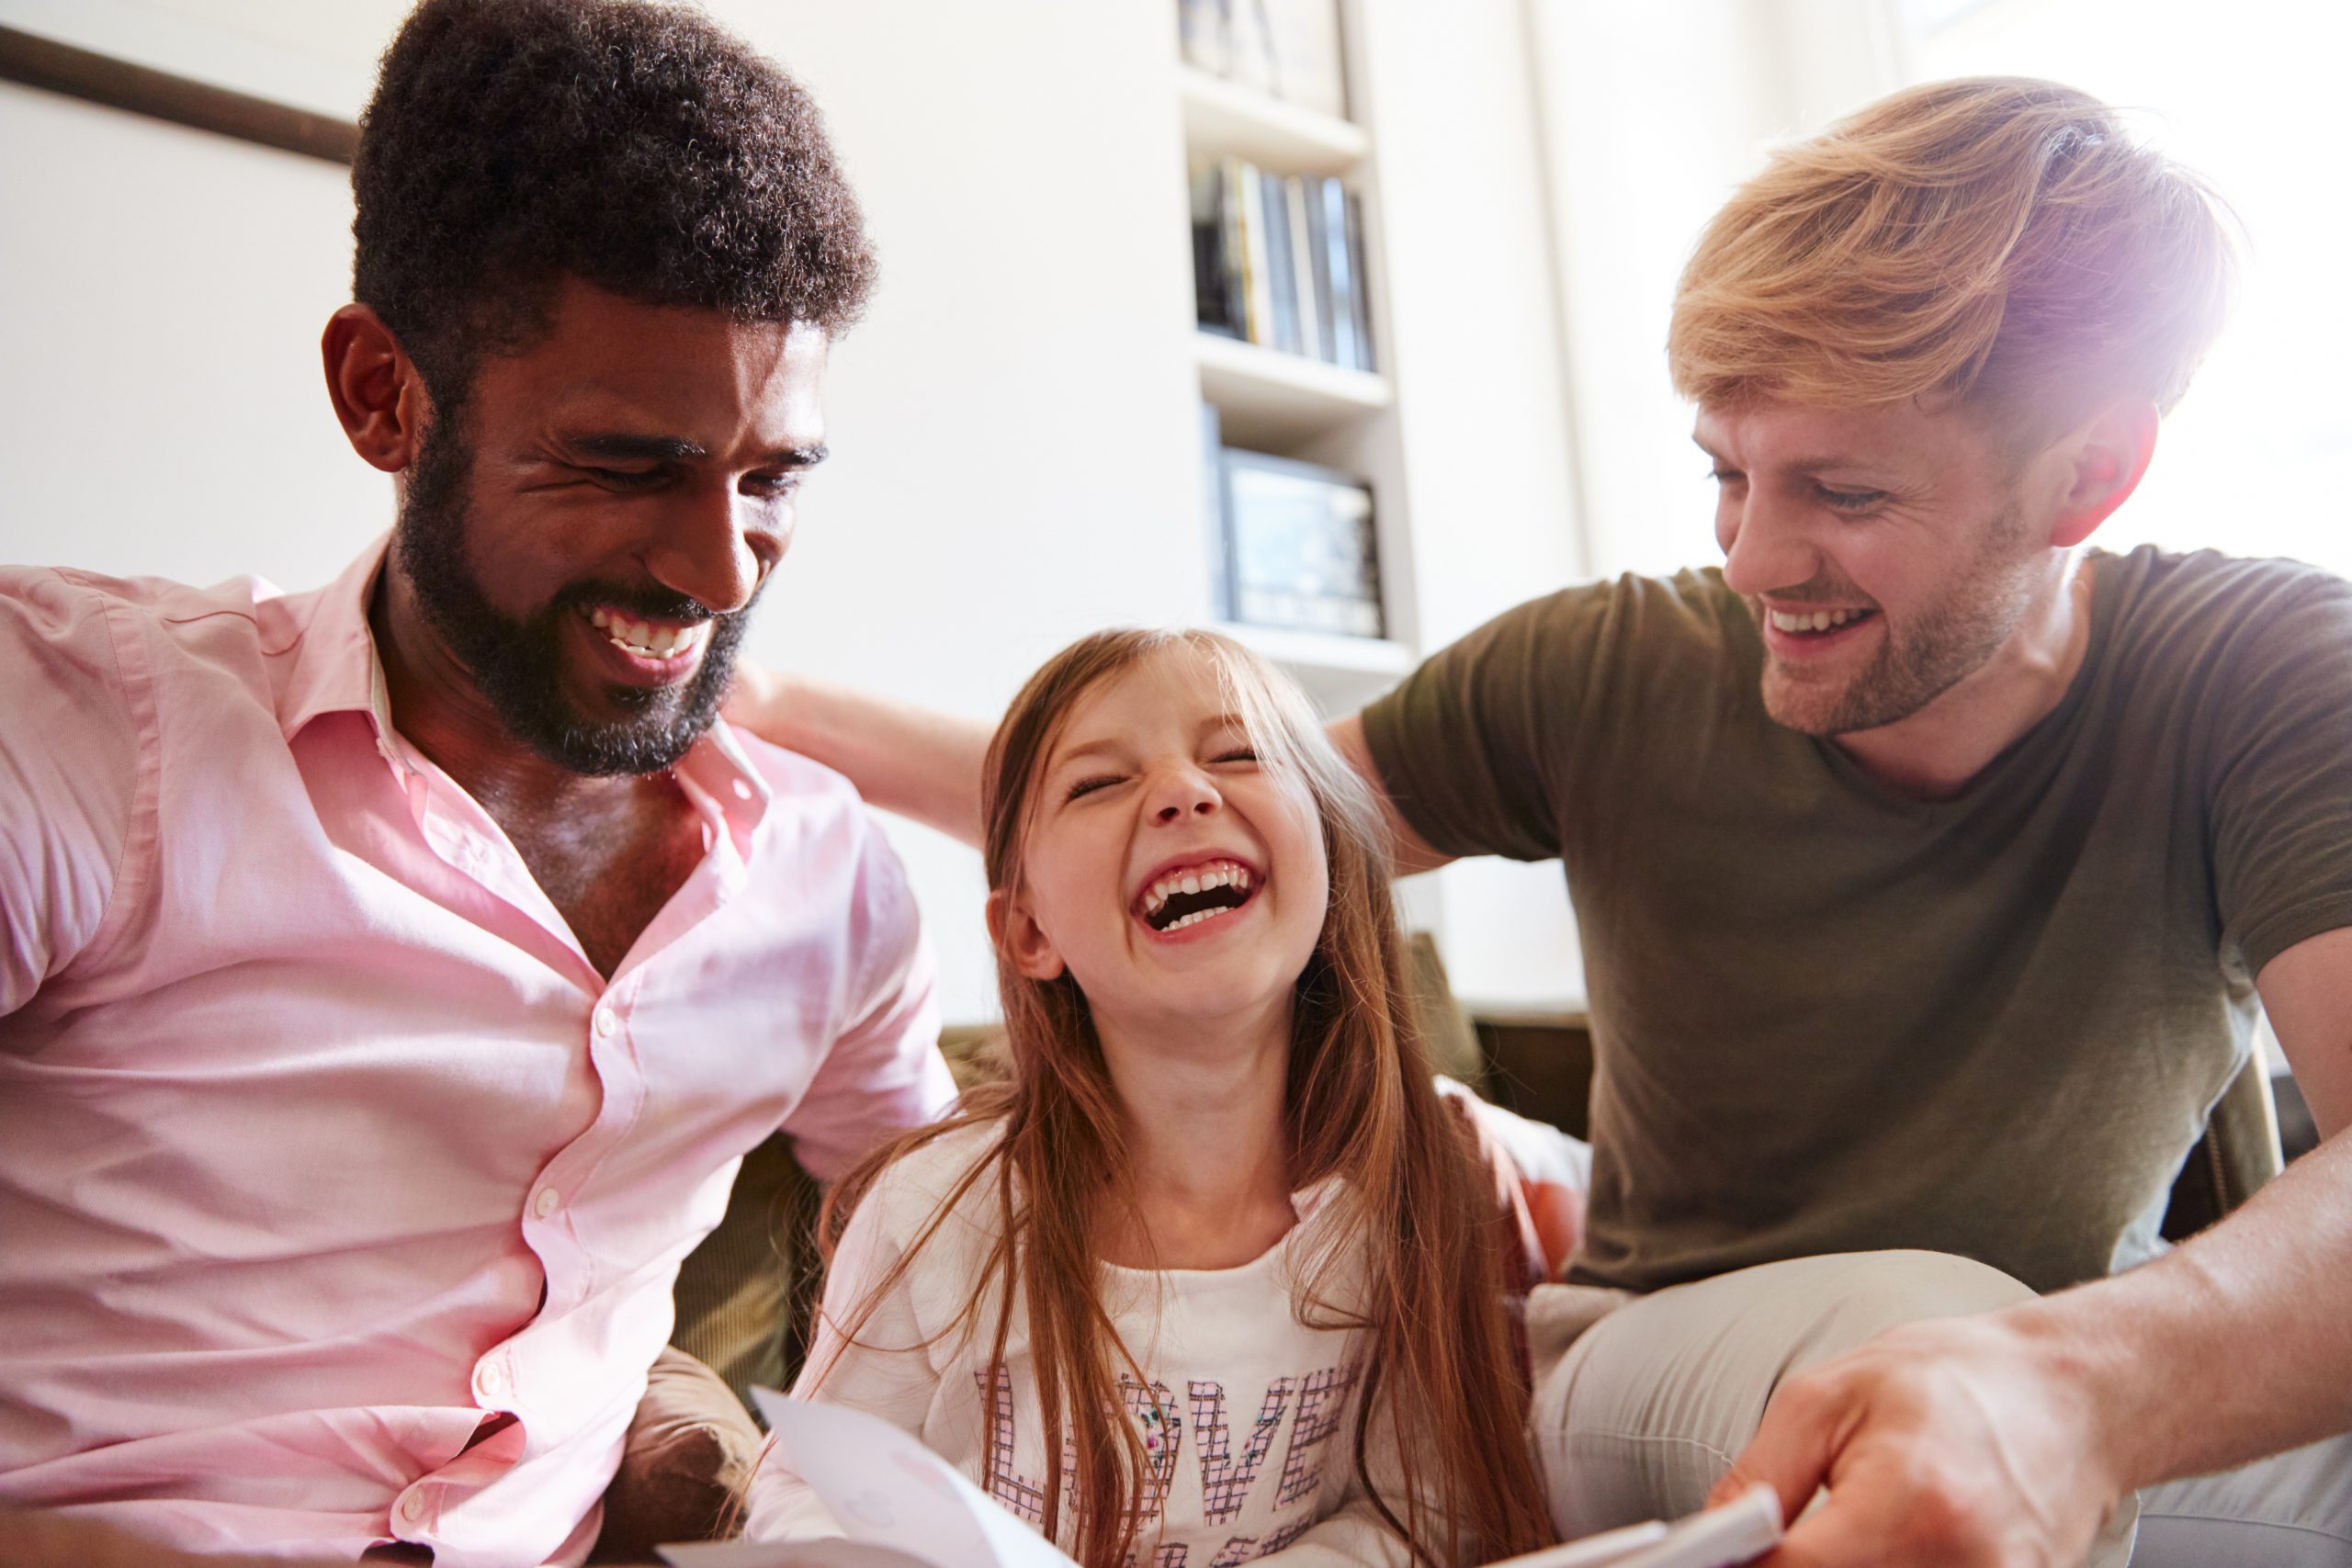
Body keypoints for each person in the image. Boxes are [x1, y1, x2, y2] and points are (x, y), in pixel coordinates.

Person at [728, 78, 2352, 1566]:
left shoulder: (2270, 677)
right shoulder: (1611, 666)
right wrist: (769, 713)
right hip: (1654, 1366)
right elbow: (1229, 826)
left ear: (2087, 478)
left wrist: (2077, 1380)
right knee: (1923, 1326)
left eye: (1844, 496)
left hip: (2035, 1364)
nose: (1753, 556)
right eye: (1729, 470)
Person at [0, 2, 956, 1562]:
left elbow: (965, 1280)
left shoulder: (827, 889)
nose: (721, 568)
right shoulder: (73, 738)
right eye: (625, 464)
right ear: (385, 396)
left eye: (770, 477)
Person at [743, 629, 1556, 1567]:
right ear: (1027, 931)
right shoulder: (934, 1208)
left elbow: (1419, 1511)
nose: (1182, 791)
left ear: (1332, 861)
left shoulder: (1402, 1197)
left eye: (1239, 755)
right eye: (1096, 784)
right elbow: (807, 1486)